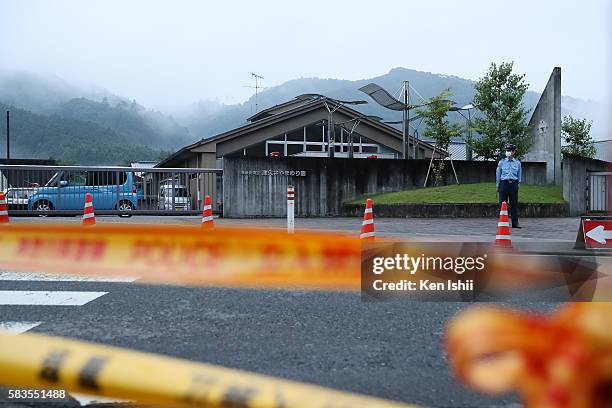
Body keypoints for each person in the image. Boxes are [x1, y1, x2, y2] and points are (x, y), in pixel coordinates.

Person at [496, 144, 522, 228]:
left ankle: (515, 223)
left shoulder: (517, 163)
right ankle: (502, 222)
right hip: (504, 184)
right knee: (502, 204)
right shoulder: (502, 162)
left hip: (513, 184)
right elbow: (498, 174)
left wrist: (518, 184)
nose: (508, 152)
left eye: (510, 150)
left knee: (514, 204)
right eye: (507, 150)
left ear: (514, 152)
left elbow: (519, 174)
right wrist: (498, 185)